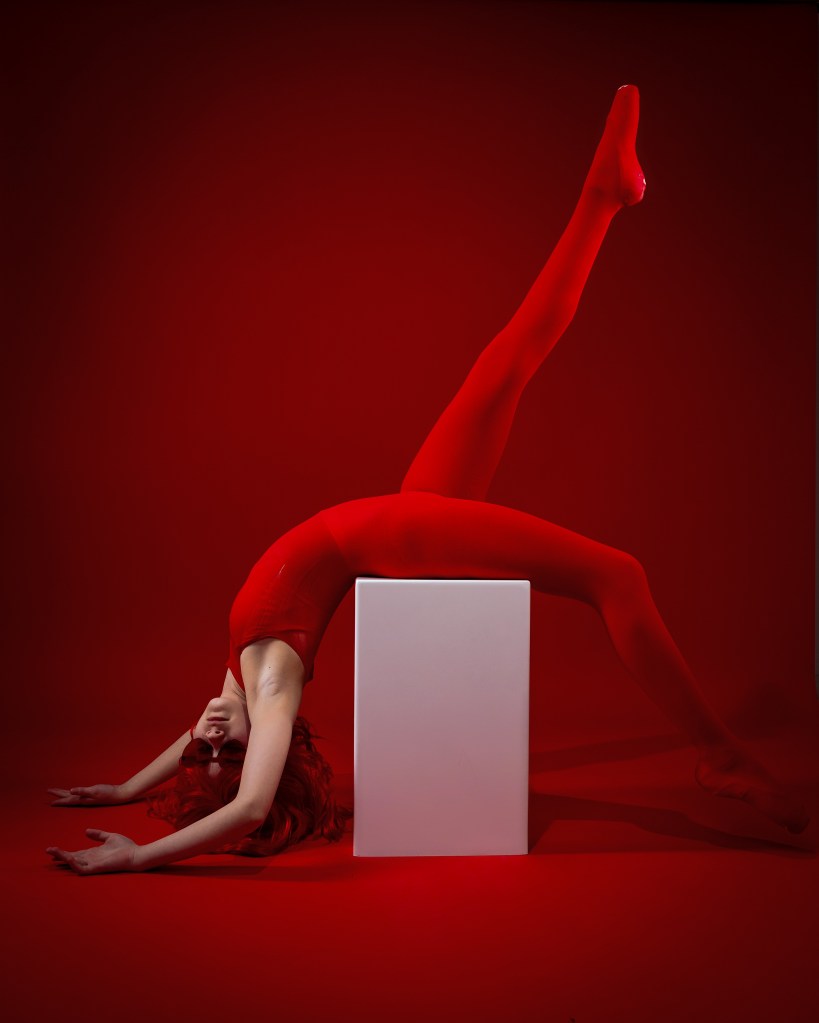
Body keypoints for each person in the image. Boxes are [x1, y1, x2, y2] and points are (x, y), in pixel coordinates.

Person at [47, 86, 808, 876]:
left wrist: (121, 789)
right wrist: (138, 860)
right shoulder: (270, 686)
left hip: (387, 520)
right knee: (617, 573)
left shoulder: (231, 683)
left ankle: (603, 198)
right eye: (224, 749)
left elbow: (192, 747)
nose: (206, 737)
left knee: (505, 364)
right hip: (387, 538)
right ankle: (720, 755)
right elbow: (245, 805)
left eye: (197, 749)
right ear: (260, 743)